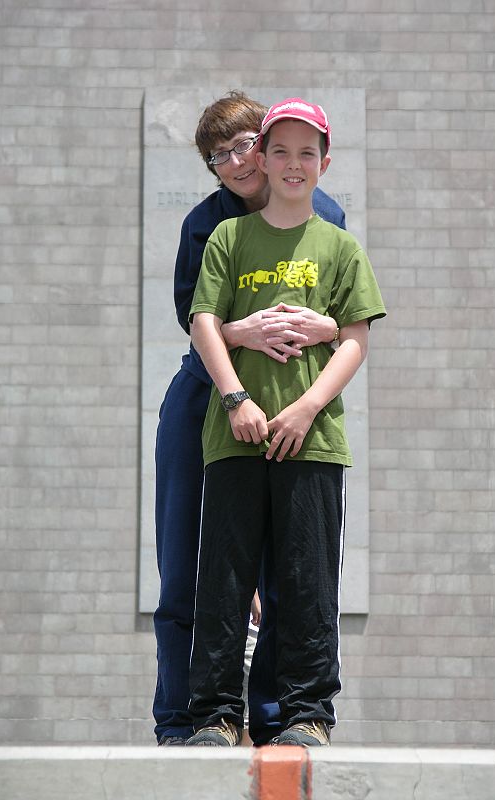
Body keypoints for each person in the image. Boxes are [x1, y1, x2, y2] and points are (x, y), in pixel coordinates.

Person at [185, 97, 386, 748]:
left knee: (307, 582)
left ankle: (308, 716)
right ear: (263, 163)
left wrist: (304, 408)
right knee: (223, 581)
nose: (293, 163)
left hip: (313, 440)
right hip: (235, 439)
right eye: (281, 151)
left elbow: (354, 335)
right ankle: (214, 715)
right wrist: (238, 399)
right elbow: (203, 322)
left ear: (324, 163)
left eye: (308, 152)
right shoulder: (225, 236)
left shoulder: (339, 246)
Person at [153, 91, 346, 747]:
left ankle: (274, 719)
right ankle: (185, 718)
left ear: (265, 144)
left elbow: (342, 319)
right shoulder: (207, 227)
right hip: (207, 394)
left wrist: (326, 326)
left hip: (289, 403)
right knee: (189, 568)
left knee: (289, 569)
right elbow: (197, 321)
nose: (234, 162)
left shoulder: (326, 215)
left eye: (242, 145)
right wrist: (237, 335)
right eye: (218, 155)